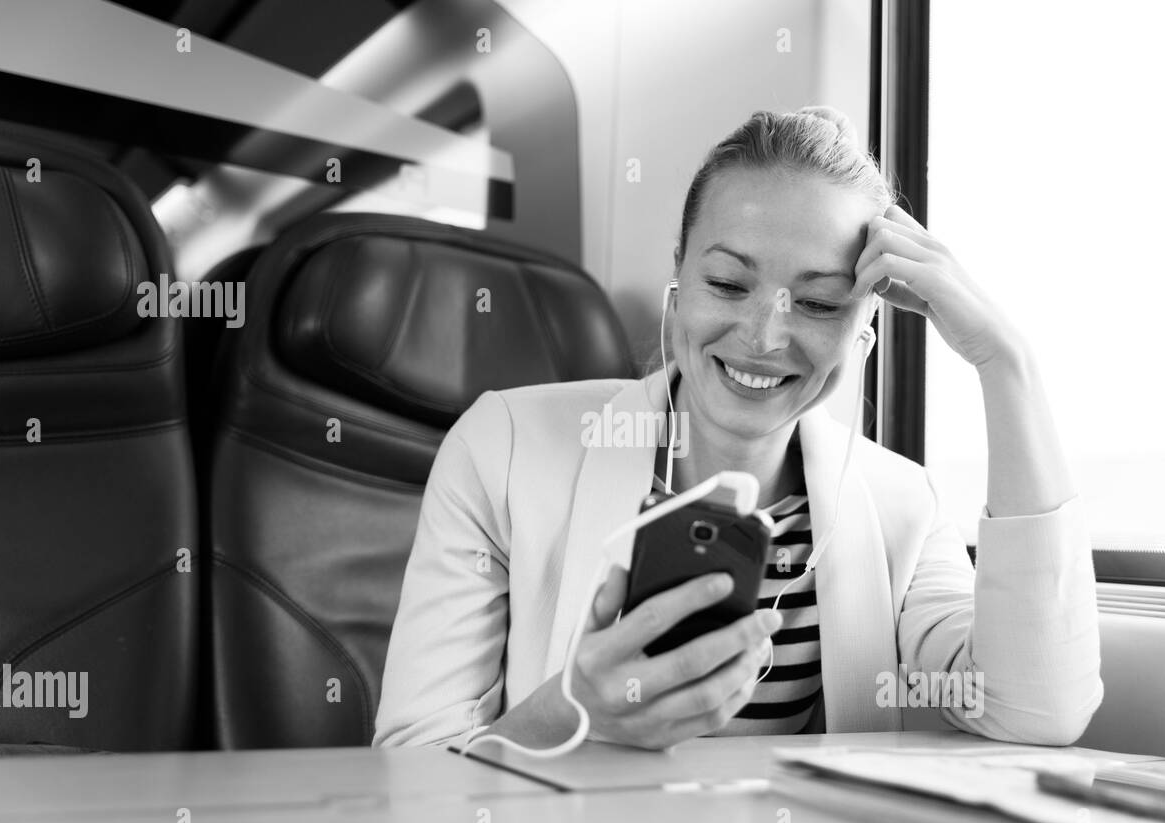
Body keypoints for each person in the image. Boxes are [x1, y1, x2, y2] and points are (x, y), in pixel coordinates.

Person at [373, 105, 1103, 750]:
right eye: (727, 284)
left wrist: (1004, 362)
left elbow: (1034, 710)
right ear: (679, 281)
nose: (763, 336)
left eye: (819, 304)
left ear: (864, 331)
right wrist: (577, 716)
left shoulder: (906, 506)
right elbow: (411, 773)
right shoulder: (501, 449)